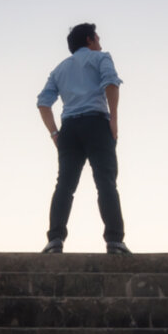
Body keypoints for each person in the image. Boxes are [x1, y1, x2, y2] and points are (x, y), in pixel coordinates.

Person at [36, 23, 131, 254]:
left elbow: (43, 102)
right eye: (97, 37)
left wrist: (54, 133)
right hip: (96, 123)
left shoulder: (59, 69)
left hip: (69, 129)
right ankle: (115, 241)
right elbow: (110, 83)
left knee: (65, 186)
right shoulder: (101, 58)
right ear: (89, 40)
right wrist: (114, 119)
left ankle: (55, 239)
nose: (100, 42)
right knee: (106, 183)